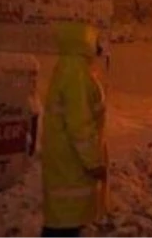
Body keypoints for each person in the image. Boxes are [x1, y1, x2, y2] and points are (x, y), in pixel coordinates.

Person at [41, 22, 109, 238]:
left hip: (65, 159)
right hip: (71, 163)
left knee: (63, 224)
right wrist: (94, 162)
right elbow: (80, 125)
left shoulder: (69, 67)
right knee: (64, 226)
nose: (99, 45)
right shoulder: (76, 73)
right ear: (84, 42)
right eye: (95, 39)